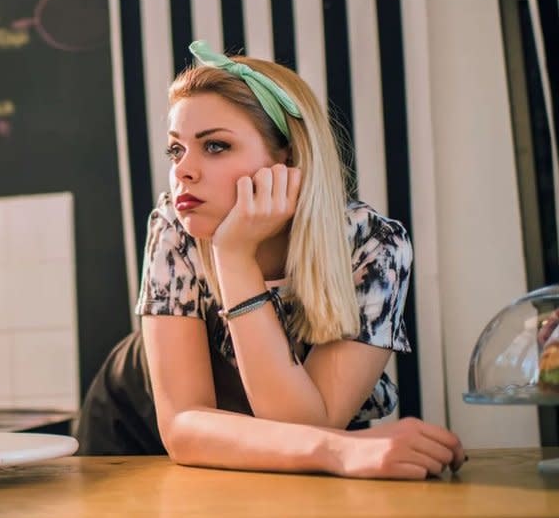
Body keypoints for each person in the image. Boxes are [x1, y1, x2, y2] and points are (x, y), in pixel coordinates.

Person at [74, 41, 466, 480]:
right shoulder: (173, 227)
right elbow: (184, 427)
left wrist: (236, 259)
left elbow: (304, 427)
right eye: (175, 149)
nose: (183, 170)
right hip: (134, 442)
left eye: (216, 146)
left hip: (309, 450)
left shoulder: (372, 245)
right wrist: (231, 251)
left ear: (289, 159)